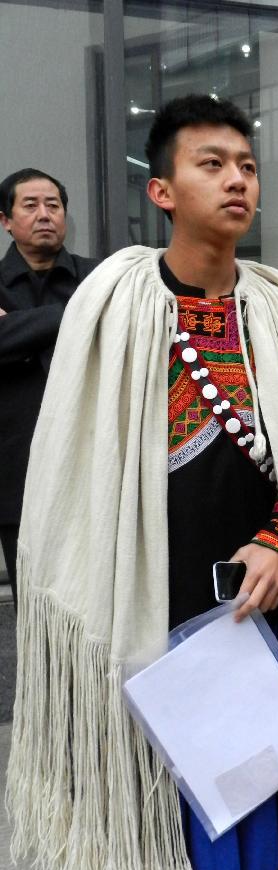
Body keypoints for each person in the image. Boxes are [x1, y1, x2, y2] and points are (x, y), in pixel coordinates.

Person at [7, 95, 278, 870]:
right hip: (147, 595)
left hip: (259, 596)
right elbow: (75, 464)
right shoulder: (113, 303)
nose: (236, 180)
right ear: (161, 191)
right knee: (163, 804)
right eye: (211, 164)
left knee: (260, 790)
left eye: (246, 165)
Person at [0, 168, 98, 608]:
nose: (44, 215)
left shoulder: (100, 278)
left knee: (99, 610)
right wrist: (79, 317)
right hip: (16, 468)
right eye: (31, 205)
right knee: (35, 609)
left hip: (94, 462)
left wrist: (19, 333)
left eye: (53, 205)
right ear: (5, 220)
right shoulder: (94, 295)